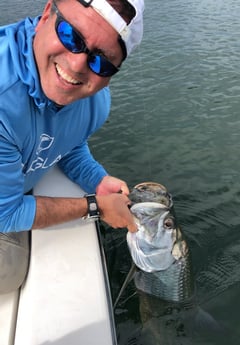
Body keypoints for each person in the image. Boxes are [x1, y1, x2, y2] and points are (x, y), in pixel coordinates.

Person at [0, 0, 144, 293]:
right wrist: (95, 207)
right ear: (45, 15)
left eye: (101, 61)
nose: (77, 65)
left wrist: (98, 180)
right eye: (70, 35)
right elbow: (5, 215)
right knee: (9, 271)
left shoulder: (95, 102)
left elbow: (70, 144)